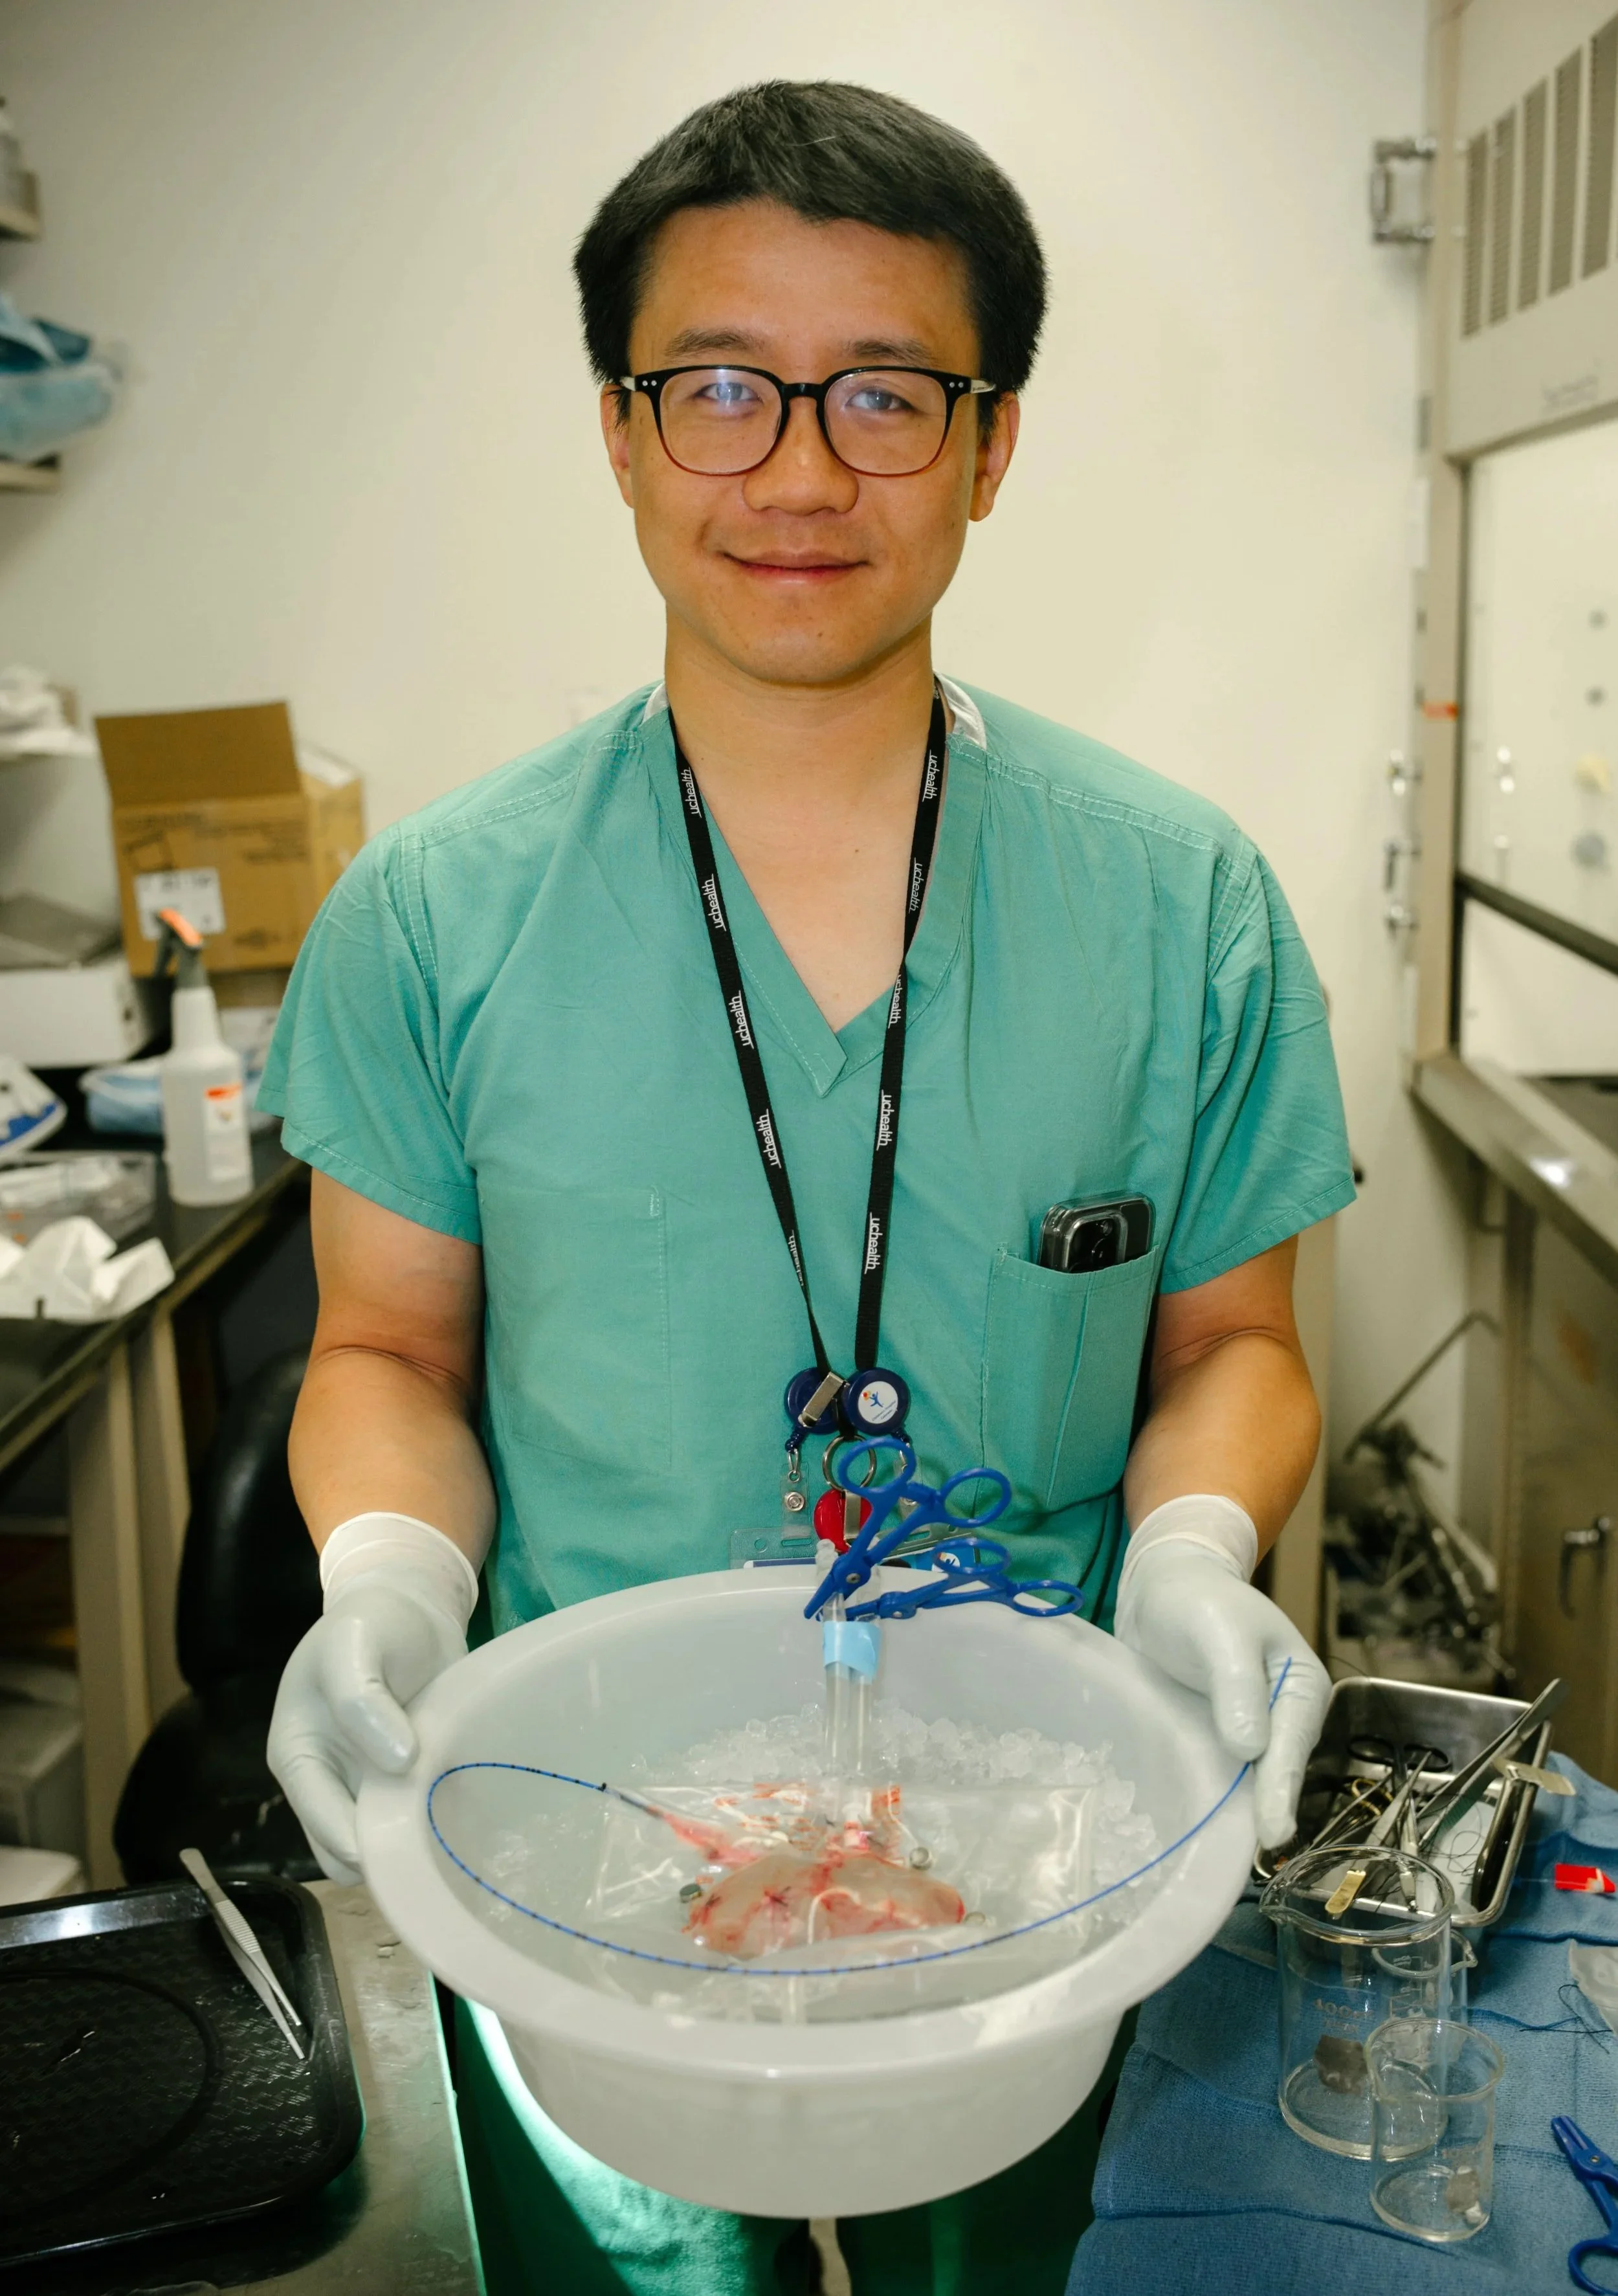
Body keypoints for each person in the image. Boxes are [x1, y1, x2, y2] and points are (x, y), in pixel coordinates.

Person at [261, 79, 1356, 2296]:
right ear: (621, 427)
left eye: (880, 395)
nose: (793, 470)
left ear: (989, 442)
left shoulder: (1181, 908)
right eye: (720, 388)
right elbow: (385, 1348)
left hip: (1046, 1832)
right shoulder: (435, 915)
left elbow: (1233, 1348)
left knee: (1039, 2265)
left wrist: (1186, 1544)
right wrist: (381, 1581)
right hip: (585, 1826)